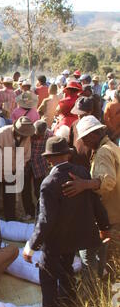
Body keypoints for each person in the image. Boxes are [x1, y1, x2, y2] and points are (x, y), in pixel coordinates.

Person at [23, 137, 109, 307]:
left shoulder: (49, 183)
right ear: (67, 155)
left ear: (49, 159)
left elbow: (46, 220)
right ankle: (69, 300)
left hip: (56, 240)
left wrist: (31, 246)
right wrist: (104, 226)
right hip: (76, 237)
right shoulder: (83, 173)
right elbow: (95, 202)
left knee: (47, 274)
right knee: (66, 268)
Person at [63, 116, 120, 280]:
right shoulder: (112, 146)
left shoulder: (103, 152)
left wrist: (85, 185)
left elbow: (108, 180)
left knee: (109, 264)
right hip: (115, 211)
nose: (84, 144)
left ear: (94, 135)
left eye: (85, 139)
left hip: (112, 216)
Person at [0, 117, 35, 221]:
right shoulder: (1, 133)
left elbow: (26, 156)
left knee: (10, 196)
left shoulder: (27, 137)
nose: (24, 136)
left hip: (13, 170)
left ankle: (10, 218)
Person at [22, 120, 53, 220]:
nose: (38, 137)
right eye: (36, 135)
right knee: (25, 190)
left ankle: (41, 213)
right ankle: (29, 212)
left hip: (40, 165)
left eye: (40, 135)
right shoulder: (27, 133)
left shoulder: (50, 135)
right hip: (26, 164)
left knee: (40, 190)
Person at [69, 97, 94, 170]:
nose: (79, 116)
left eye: (82, 114)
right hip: (75, 166)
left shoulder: (95, 129)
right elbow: (70, 144)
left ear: (90, 112)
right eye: (78, 113)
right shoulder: (74, 124)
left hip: (88, 168)